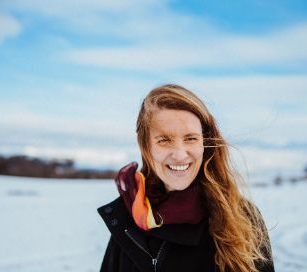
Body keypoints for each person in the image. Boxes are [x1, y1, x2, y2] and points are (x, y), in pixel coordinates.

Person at [97, 84, 274, 272]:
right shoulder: (128, 217)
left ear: (205, 144)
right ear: (146, 147)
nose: (180, 155)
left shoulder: (241, 218)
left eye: (191, 139)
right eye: (164, 140)